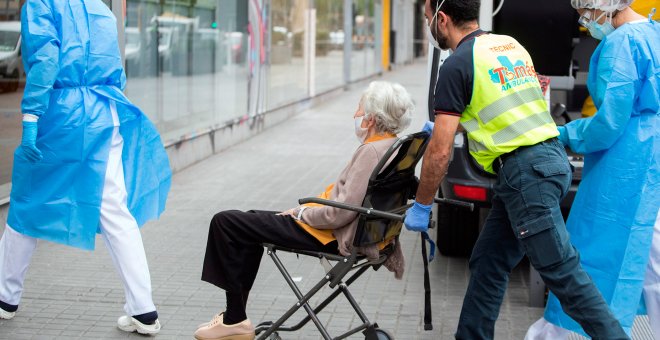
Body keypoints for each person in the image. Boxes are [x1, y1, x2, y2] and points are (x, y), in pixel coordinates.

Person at [403, 0, 629, 339]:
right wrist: (452, 125)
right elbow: (506, 107)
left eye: (426, 19)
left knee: (562, 273)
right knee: (489, 262)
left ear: (443, 19)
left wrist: (422, 205)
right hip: (546, 161)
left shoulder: (456, 64)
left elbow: (439, 154)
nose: (428, 26)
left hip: (527, 174)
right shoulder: (509, 44)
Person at [0, 0, 171, 335]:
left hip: (62, 116)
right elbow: (115, 65)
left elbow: (45, 61)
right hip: (106, 112)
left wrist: (31, 117)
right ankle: (144, 310)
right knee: (115, 211)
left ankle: (5, 298)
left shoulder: (40, 4)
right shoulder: (99, 9)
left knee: (26, 203)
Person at [194, 81, 413, 340]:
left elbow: (340, 213)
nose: (356, 114)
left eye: (359, 109)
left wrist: (302, 214)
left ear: (372, 119)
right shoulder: (396, 146)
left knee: (226, 222)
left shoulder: (370, 152)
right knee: (249, 220)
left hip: (330, 234)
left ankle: (234, 321)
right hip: (357, 232)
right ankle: (236, 319)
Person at [525, 0, 660, 338]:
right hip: (650, 161)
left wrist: (563, 134)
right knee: (649, 261)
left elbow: (610, 122)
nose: (585, 21)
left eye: (586, 12)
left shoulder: (621, 44)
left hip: (624, 166)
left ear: (605, 5)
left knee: (596, 255)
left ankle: (563, 331)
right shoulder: (652, 32)